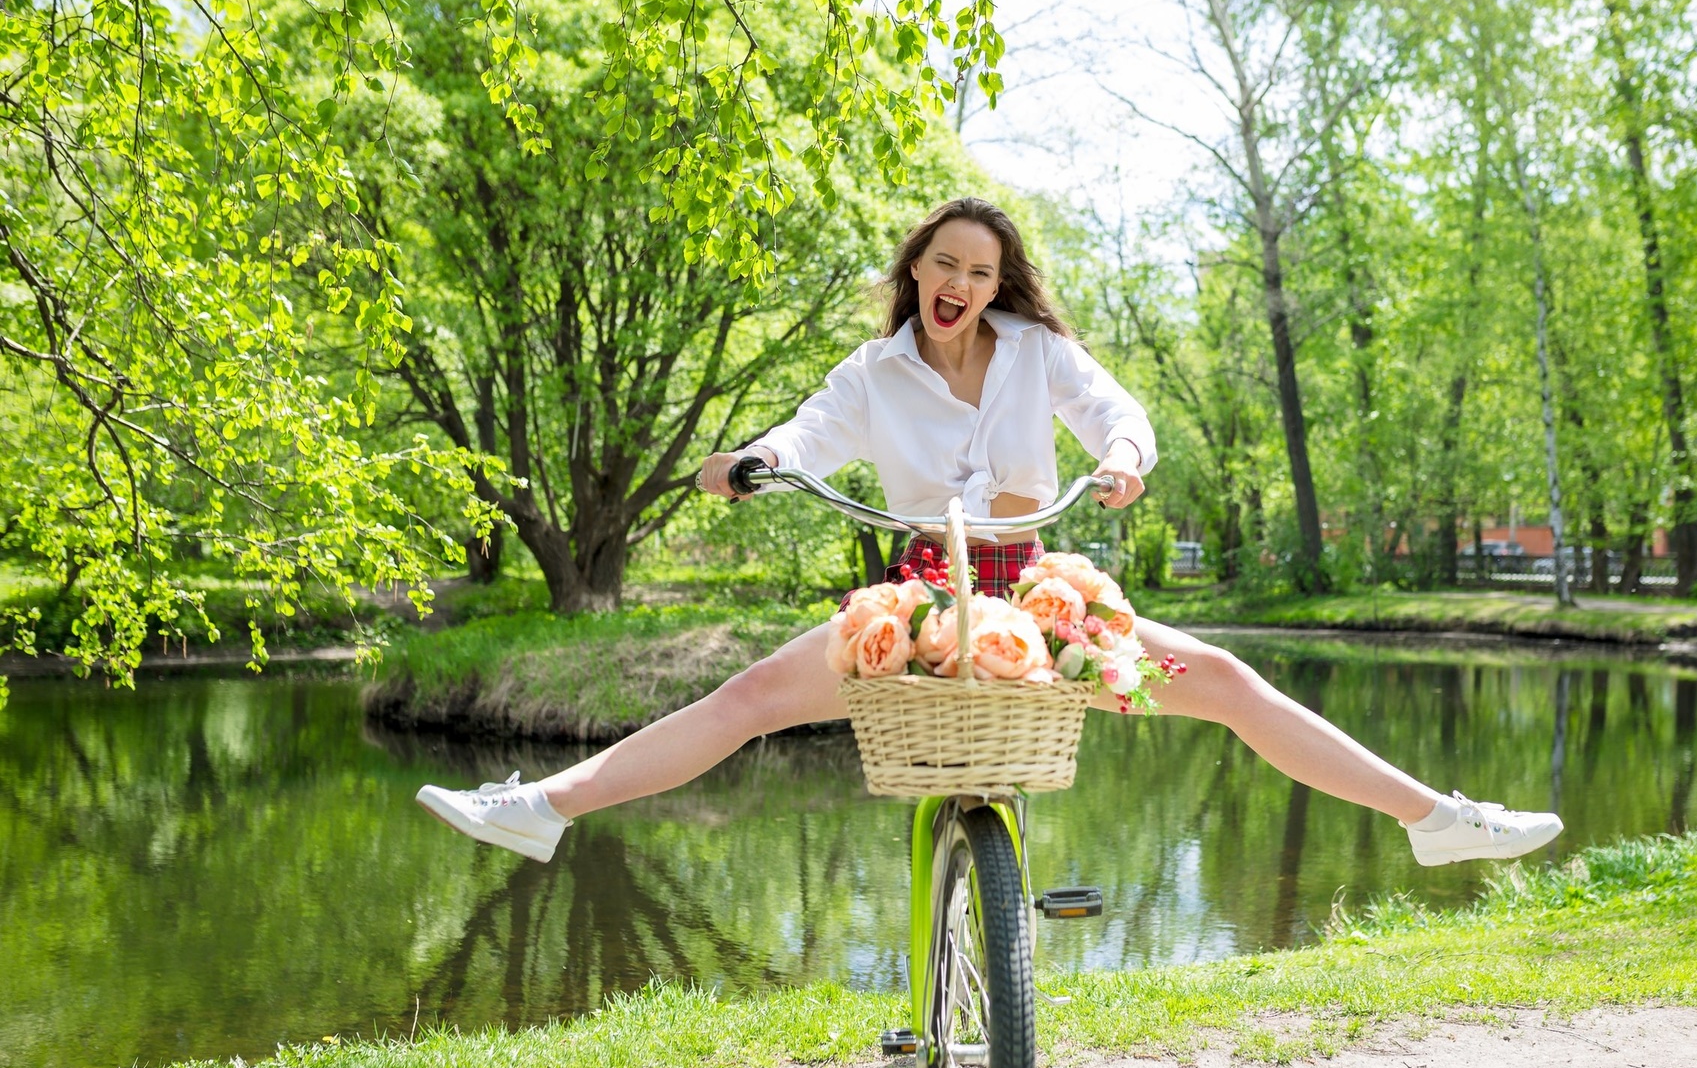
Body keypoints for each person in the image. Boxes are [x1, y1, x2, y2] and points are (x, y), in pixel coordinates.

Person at [416, 197, 1563, 868]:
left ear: (1000, 283)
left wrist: (1122, 456)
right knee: (746, 703)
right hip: (919, 603)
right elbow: (807, 435)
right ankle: (539, 809)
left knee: (1223, 680)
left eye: (982, 269)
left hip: (1043, 593)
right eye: (943, 264)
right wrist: (759, 463)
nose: (960, 282)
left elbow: (1119, 410)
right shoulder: (874, 372)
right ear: (915, 270)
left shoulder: (1035, 353)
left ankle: (1436, 819)